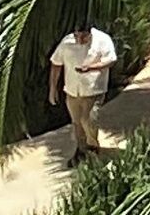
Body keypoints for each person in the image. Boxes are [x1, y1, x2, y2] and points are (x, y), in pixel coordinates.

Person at [48, 21, 121, 156]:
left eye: (84, 37)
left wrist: (91, 68)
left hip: (94, 90)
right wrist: (53, 89)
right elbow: (56, 64)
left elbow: (111, 60)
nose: (80, 40)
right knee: (77, 122)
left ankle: (93, 147)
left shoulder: (102, 40)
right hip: (72, 90)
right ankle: (81, 150)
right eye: (77, 37)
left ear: (90, 33)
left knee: (88, 120)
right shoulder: (67, 43)